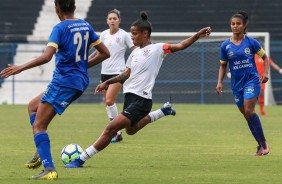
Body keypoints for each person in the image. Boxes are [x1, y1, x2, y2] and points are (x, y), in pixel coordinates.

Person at [64, 11, 211, 168]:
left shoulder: (158, 49)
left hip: (142, 100)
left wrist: (197, 35)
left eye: (134, 34)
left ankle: (81, 159)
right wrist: (107, 82)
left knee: (111, 128)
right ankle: (163, 111)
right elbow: (125, 74)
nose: (132, 37)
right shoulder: (134, 53)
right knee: (131, 130)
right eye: (131, 33)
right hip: (130, 99)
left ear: (145, 33)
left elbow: (181, 46)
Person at [0, 0, 110, 180]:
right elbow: (105, 53)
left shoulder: (60, 28)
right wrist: (81, 67)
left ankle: (49, 168)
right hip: (78, 81)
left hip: (63, 83)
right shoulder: (85, 25)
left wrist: (20, 68)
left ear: (57, 9)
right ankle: (40, 150)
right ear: (74, 7)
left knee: (39, 126)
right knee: (32, 106)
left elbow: (46, 57)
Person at [216, 11, 270, 156]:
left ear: (244, 25)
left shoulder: (251, 42)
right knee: (246, 115)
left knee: (249, 111)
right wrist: (219, 82)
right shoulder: (225, 46)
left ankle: (264, 143)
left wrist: (265, 73)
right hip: (236, 85)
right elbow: (223, 65)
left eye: (238, 24)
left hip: (252, 80)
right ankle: (259, 145)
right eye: (233, 24)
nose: (235, 26)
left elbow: (265, 58)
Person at [89, 9, 135, 143]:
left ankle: (115, 132)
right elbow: (97, 53)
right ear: (107, 21)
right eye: (110, 18)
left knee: (109, 100)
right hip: (105, 73)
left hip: (118, 73)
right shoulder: (103, 34)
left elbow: (134, 51)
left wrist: (130, 65)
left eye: (115, 18)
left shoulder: (124, 35)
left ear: (119, 20)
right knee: (109, 104)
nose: (112, 20)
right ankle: (117, 132)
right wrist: (87, 60)